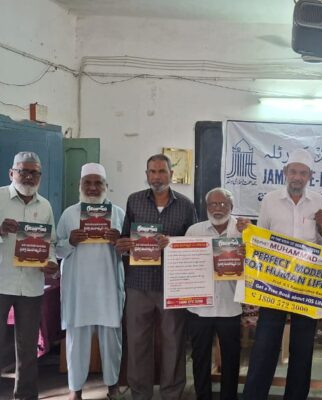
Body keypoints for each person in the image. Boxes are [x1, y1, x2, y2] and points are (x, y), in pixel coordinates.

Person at [242, 148, 322, 400]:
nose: (297, 177)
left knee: (303, 349)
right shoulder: (270, 200)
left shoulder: (319, 202)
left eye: (303, 173)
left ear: (310, 176)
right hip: (274, 285)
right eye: (293, 172)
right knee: (265, 346)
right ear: (285, 173)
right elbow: (260, 239)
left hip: (306, 288)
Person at [115, 154, 197, 400]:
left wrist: (172, 242)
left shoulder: (186, 205)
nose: (157, 177)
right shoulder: (134, 200)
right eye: (152, 171)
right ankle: (140, 393)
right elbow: (124, 237)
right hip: (138, 283)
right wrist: (122, 244)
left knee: (174, 341)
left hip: (171, 285)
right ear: (147, 174)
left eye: (162, 171)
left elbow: (193, 244)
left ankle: (172, 393)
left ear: (172, 174)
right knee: (137, 341)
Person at [56, 163, 125, 400]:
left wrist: (119, 241)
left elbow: (129, 251)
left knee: (112, 341)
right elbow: (56, 250)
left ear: (106, 186)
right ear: (80, 185)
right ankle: (75, 390)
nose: (93, 188)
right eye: (88, 183)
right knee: (76, 342)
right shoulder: (69, 214)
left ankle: (113, 386)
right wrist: (70, 242)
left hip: (108, 288)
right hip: (78, 290)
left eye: (98, 183)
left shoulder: (118, 213)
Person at [0, 151, 59, 400]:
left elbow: (51, 243)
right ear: (11, 173)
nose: (28, 176)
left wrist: (51, 262)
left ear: (40, 176)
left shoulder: (45, 205)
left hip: (32, 286)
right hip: (1, 283)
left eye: (34, 172)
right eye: (23, 171)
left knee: (28, 348)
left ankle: (25, 395)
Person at [185, 187, 243, 400]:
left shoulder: (244, 231)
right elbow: (184, 266)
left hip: (230, 306)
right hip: (200, 308)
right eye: (213, 204)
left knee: (231, 359)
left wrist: (248, 255)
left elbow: (257, 265)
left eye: (223, 204)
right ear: (206, 206)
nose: (218, 208)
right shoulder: (194, 231)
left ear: (231, 207)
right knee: (200, 358)